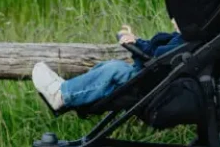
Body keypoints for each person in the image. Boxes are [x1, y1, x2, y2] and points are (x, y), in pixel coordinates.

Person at [32, 23, 184, 112]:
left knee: (115, 69)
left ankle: (62, 95)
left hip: (150, 86)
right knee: (107, 67)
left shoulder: (182, 43)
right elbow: (154, 52)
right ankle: (71, 90)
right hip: (150, 80)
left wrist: (137, 44)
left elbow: (157, 57)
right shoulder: (181, 39)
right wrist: (136, 41)